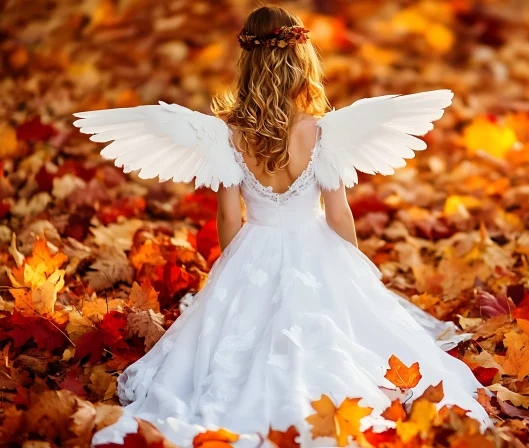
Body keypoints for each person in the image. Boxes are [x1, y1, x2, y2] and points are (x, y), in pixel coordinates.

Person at [74, 5, 492, 447]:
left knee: (237, 341)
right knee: (340, 331)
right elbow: (338, 214)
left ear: (247, 63)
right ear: (302, 62)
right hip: (316, 247)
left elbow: (229, 216)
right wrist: (355, 272)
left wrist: (233, 276)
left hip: (253, 244)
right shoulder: (318, 132)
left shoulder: (228, 135)